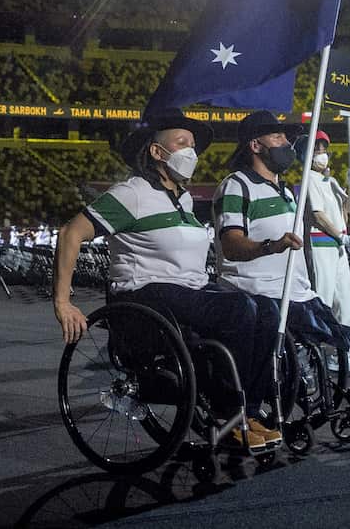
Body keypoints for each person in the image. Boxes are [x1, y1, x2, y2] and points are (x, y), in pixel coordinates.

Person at [53, 110, 282, 449]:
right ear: (157, 152)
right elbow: (70, 233)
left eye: (193, 145)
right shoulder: (130, 194)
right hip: (143, 293)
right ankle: (227, 412)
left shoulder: (184, 199)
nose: (191, 151)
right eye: (182, 143)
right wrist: (63, 302)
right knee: (239, 310)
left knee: (267, 311)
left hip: (187, 289)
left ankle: (246, 410)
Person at [215, 113, 350, 388]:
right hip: (258, 290)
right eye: (277, 137)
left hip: (296, 290)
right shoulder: (237, 185)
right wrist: (272, 246)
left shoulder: (287, 192)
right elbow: (231, 245)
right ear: (255, 146)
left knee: (339, 334)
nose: (286, 143)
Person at [294, 130, 350, 372]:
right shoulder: (308, 179)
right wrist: (342, 236)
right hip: (321, 242)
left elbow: (344, 214)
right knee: (322, 299)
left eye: (324, 151)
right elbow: (318, 216)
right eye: (317, 151)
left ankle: (343, 355)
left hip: (337, 246)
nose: (323, 155)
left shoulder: (329, 181)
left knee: (345, 302)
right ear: (305, 155)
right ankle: (312, 356)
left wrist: (349, 185)